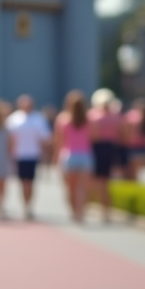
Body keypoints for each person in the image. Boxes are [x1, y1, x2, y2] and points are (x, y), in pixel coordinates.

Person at [6, 94, 51, 220]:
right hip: (19, 155)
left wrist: (46, 157)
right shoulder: (13, 119)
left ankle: (29, 206)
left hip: (33, 155)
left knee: (30, 182)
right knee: (22, 182)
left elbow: (45, 139)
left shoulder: (38, 119)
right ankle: (24, 205)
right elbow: (9, 139)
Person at [54, 90, 93, 223]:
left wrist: (55, 158)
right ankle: (81, 211)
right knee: (83, 187)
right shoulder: (89, 119)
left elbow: (59, 141)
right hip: (85, 155)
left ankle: (74, 211)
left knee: (70, 187)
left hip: (68, 155)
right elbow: (94, 137)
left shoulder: (63, 119)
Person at [89, 88, 123, 222]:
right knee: (105, 180)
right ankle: (105, 210)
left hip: (98, 148)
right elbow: (123, 135)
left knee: (96, 180)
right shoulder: (116, 117)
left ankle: (96, 206)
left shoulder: (94, 116)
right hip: (112, 148)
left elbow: (93, 135)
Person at [122, 98, 145, 179]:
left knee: (130, 174)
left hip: (132, 147)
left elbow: (126, 131)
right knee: (137, 174)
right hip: (144, 148)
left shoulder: (132, 116)